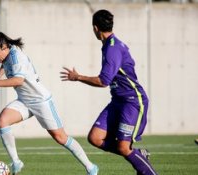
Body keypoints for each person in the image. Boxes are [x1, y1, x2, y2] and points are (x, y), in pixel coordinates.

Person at [0, 32, 98, 175]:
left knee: (61, 138)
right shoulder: (7, 54)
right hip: (24, 101)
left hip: (41, 101)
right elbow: (5, 65)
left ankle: (91, 167)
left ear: (4, 47)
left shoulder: (16, 57)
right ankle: (16, 161)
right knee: (2, 121)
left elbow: (19, 80)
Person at [60, 9, 158, 175]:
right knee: (95, 138)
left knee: (123, 147)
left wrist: (78, 77)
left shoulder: (113, 48)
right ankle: (137, 154)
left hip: (132, 101)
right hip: (117, 102)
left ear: (95, 28)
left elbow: (103, 81)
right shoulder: (109, 46)